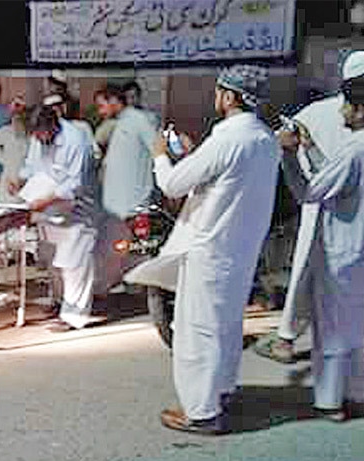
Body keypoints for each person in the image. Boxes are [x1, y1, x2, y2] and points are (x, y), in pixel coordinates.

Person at [149, 65, 279, 435]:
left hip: (210, 248)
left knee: (197, 329)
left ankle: (200, 412)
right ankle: (220, 391)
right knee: (225, 325)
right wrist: (194, 155)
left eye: (220, 90)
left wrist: (162, 155)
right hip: (240, 249)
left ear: (229, 96)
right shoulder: (264, 139)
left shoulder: (228, 139)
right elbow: (221, 183)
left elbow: (173, 184)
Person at [255, 50, 364, 364]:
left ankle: (288, 339)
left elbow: (285, 145)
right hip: (343, 211)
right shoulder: (334, 113)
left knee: (307, 269)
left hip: (319, 205)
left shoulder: (318, 112)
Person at [277, 73, 364, 422]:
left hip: (341, 249)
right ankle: (355, 393)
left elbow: (313, 190)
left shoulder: (354, 148)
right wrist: (310, 147)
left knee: (332, 327)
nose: (340, 110)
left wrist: (290, 154)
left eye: (346, 104)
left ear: (359, 110)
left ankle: (330, 401)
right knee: (357, 323)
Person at [11, 105, 95, 331]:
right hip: (48, 210)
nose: (37, 138)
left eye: (40, 133)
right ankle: (59, 303)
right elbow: (32, 166)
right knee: (53, 260)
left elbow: (75, 184)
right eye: (34, 134)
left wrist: (45, 201)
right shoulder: (39, 138)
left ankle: (74, 317)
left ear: (53, 126)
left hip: (76, 211)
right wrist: (19, 181)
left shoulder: (76, 141)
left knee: (74, 265)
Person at [94, 82, 160, 296]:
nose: (100, 111)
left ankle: (143, 294)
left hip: (135, 199)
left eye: (102, 105)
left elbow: (157, 151)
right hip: (116, 203)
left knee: (136, 250)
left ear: (114, 101)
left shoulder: (139, 120)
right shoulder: (117, 123)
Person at [0, 95, 30, 204]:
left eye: (20, 116)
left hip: (25, 181)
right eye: (15, 117)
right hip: (8, 178)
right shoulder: (6, 131)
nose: (17, 120)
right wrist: (3, 159)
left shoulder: (31, 136)